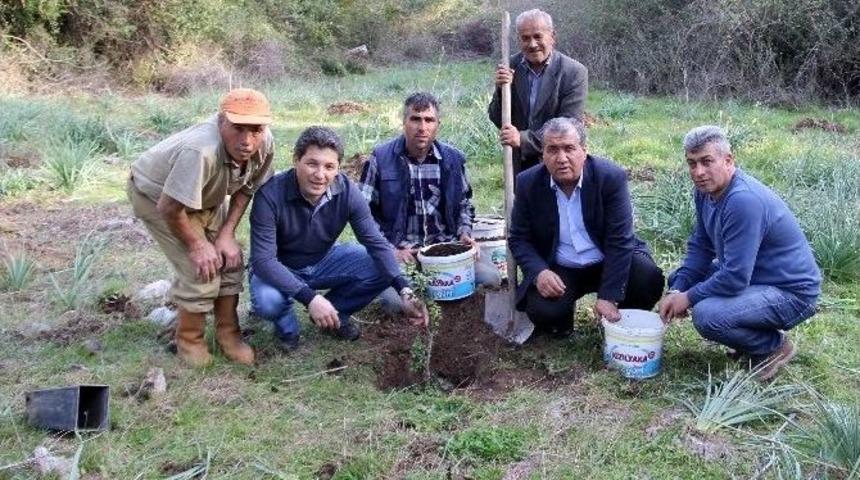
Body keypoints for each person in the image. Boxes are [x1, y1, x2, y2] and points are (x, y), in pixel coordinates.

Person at [659, 125, 821, 380]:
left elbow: (734, 277)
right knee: (680, 277)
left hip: (792, 293)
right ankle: (746, 337)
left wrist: (689, 298)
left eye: (707, 162)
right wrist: (678, 290)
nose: (698, 172)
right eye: (692, 164)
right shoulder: (706, 191)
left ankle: (772, 347)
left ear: (728, 160)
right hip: (755, 278)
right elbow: (701, 246)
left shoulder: (743, 200)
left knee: (707, 315)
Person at [127, 88, 274, 367]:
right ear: (221, 122)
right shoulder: (200, 150)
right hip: (158, 197)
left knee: (230, 258)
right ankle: (189, 340)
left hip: (206, 195)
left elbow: (247, 188)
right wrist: (197, 245)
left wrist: (227, 233)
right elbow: (170, 208)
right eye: (238, 129)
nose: (247, 141)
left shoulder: (264, 142)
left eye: (255, 130)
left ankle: (228, 334)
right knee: (202, 268)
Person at [248, 126, 428, 351]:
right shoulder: (270, 195)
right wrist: (311, 298)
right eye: (312, 163)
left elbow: (376, 242)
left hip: (323, 260)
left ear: (338, 169)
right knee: (269, 301)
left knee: (383, 265)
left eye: (329, 166)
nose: (320, 174)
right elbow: (264, 260)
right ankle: (287, 329)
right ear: (296, 160)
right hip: (279, 265)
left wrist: (405, 290)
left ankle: (334, 314)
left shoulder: (347, 191)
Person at [508, 117, 664, 337]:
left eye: (569, 149)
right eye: (552, 150)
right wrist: (539, 272)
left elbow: (619, 240)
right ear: (542, 154)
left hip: (607, 258)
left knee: (647, 278)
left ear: (584, 151)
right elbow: (519, 238)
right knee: (543, 311)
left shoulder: (610, 177)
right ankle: (563, 324)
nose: (561, 158)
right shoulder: (528, 182)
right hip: (563, 265)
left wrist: (609, 295)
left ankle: (623, 320)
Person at [358, 92, 495, 311]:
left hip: (446, 249)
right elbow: (362, 214)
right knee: (393, 303)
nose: (422, 127)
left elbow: (464, 204)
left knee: (490, 278)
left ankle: (441, 293)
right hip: (403, 254)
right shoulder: (380, 159)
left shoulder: (453, 159)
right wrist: (389, 250)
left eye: (429, 120)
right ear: (404, 122)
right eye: (415, 119)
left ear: (437, 124)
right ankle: (422, 289)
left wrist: (464, 233)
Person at [488, 8, 588, 175]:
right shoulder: (509, 66)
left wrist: (523, 139)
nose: (532, 44)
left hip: (560, 164)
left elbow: (570, 126)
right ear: (519, 40)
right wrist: (501, 89)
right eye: (525, 38)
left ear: (552, 37)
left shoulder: (573, 72)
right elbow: (497, 119)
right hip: (520, 166)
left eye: (538, 36)